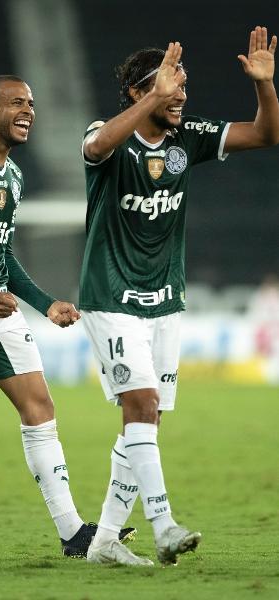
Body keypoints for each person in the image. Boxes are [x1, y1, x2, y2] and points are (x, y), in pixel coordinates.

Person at [80, 27, 279, 566]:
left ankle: (103, 543)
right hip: (110, 297)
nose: (180, 96)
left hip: (164, 301)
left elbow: (265, 134)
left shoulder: (187, 138)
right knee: (140, 404)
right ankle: (163, 523)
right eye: (170, 86)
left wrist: (264, 86)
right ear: (137, 93)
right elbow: (96, 146)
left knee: (145, 422)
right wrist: (154, 93)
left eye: (183, 87)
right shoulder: (108, 136)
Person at [0, 74, 134, 558]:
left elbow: (3, 255)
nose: (28, 111)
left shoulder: (14, 177)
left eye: (32, 104)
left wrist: (46, 303)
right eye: (17, 102)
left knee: (39, 408)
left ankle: (73, 532)